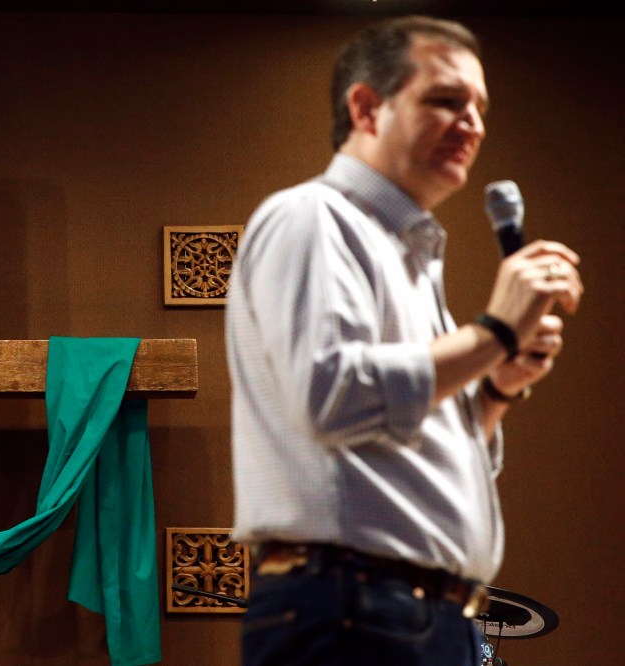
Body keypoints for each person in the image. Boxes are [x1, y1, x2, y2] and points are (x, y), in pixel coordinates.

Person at [226, 15, 583, 666]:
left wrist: (498, 385)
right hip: (351, 609)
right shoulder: (312, 219)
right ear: (366, 107)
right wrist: (496, 330)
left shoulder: (409, 256)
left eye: (479, 106)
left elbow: (422, 442)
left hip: (425, 612)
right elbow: (331, 396)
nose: (472, 121)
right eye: (446, 99)